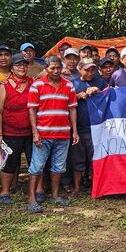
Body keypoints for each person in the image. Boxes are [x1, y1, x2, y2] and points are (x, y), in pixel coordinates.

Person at [26, 55, 79, 212]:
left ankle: (55, 196)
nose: (56, 71)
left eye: (58, 68)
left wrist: (74, 131)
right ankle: (32, 198)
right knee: (36, 166)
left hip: (63, 133)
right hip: (43, 133)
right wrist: (35, 132)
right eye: (52, 68)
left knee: (58, 166)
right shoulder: (37, 85)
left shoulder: (68, 85)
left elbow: (72, 109)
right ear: (46, 69)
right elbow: (32, 110)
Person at [0, 55, 34, 204]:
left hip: (31, 132)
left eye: (24, 65)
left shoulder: (33, 83)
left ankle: (35, 190)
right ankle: (5, 191)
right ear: (11, 68)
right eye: (18, 65)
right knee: (9, 163)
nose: (22, 67)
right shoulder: (4, 86)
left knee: (34, 162)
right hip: (10, 132)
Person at [69, 58, 105, 196]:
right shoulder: (73, 84)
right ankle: (77, 187)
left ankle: (95, 186)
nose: (90, 73)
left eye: (93, 70)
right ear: (79, 69)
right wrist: (77, 96)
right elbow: (64, 101)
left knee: (94, 158)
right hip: (78, 127)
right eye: (87, 70)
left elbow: (111, 95)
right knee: (77, 158)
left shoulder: (100, 82)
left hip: (96, 127)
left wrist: (98, 90)